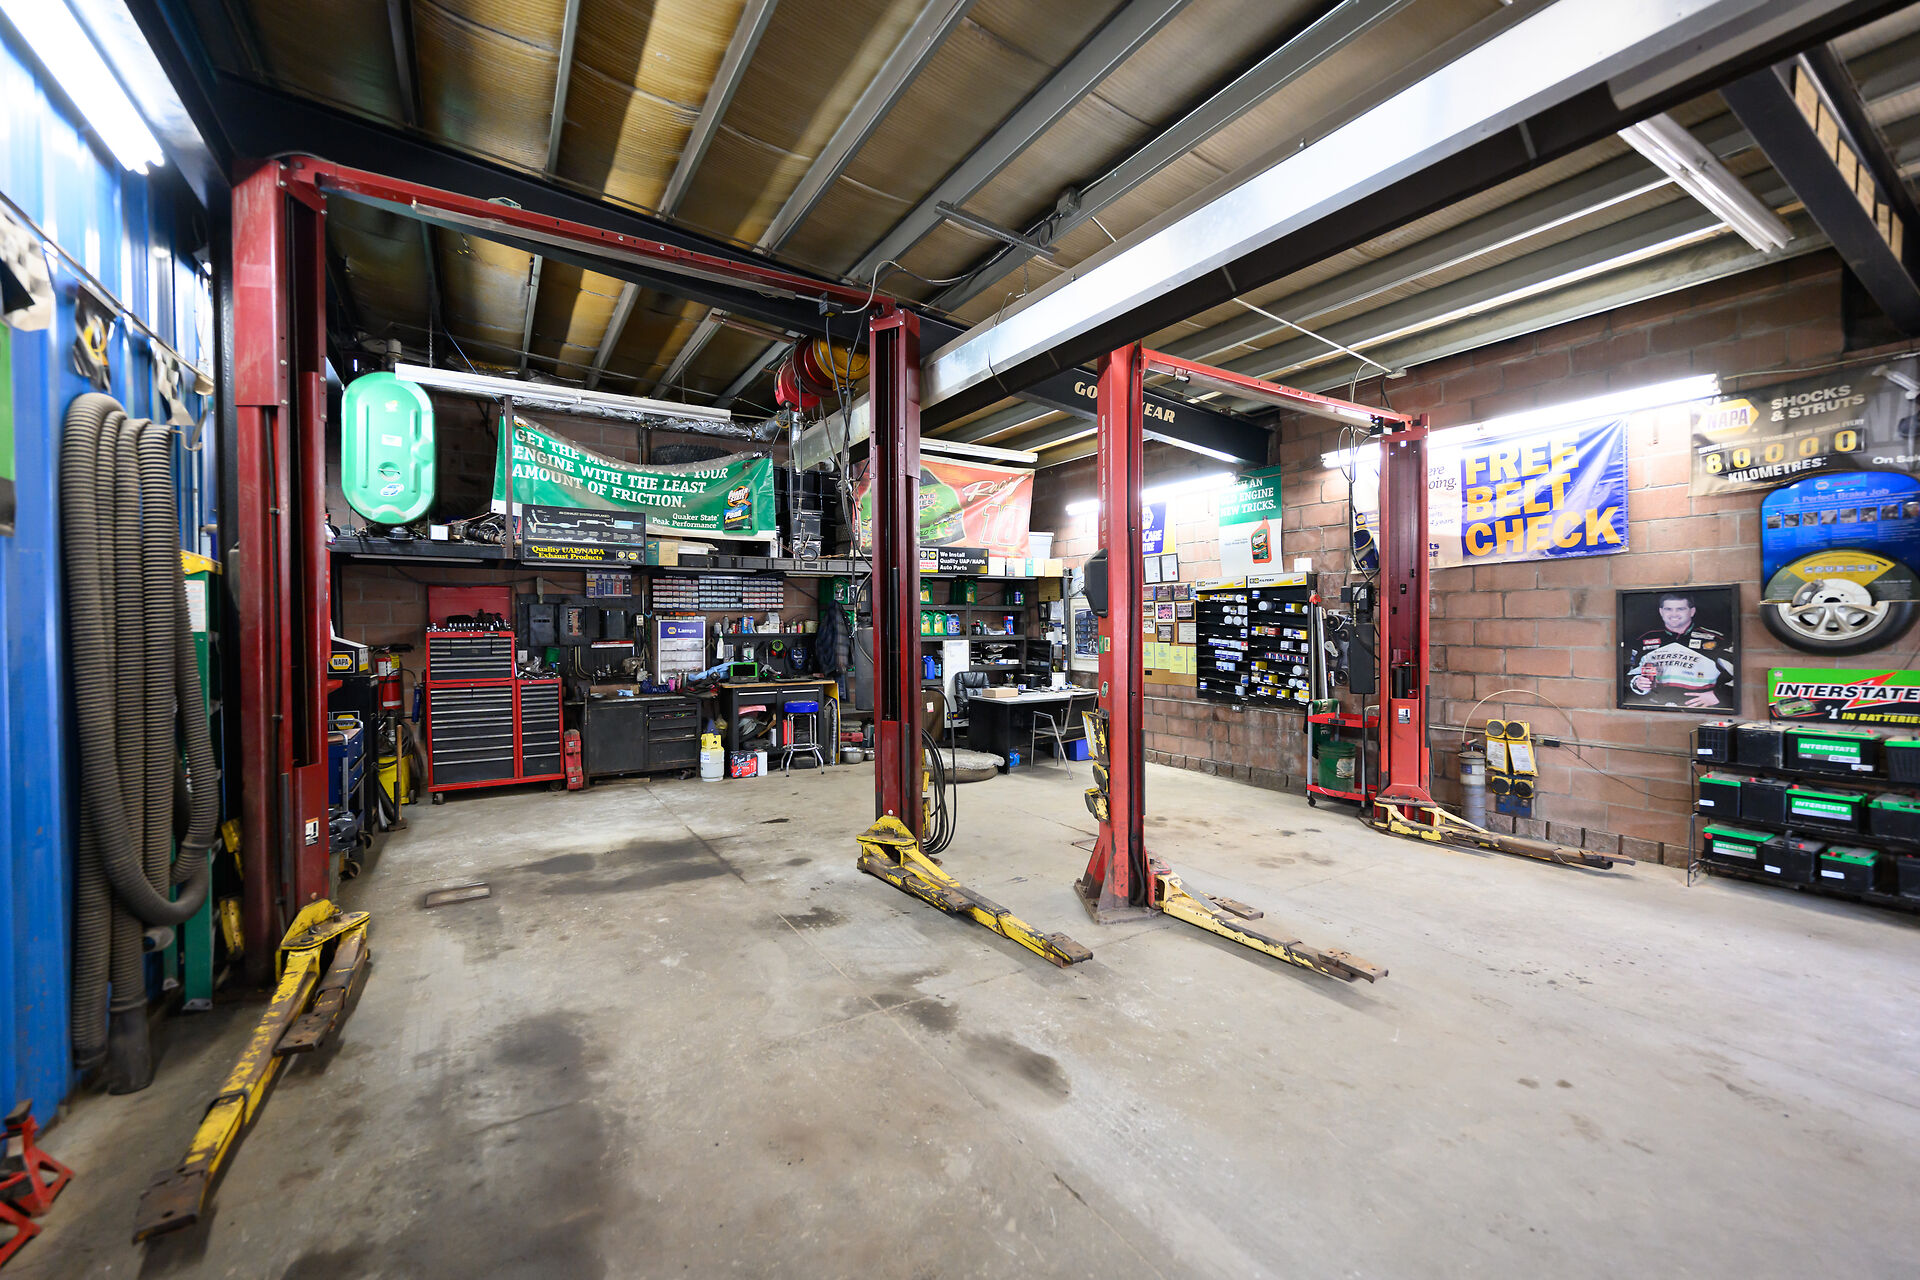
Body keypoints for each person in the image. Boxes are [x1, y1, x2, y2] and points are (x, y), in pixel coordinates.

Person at [1625, 592, 1736, 709]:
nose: (1674, 614)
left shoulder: (1717, 640)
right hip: (1656, 709)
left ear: (1692, 611)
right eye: (1668, 609)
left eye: (1680, 609)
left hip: (1701, 711)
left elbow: (1741, 674)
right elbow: (1631, 674)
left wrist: (1719, 695)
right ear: (1661, 611)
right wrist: (1638, 683)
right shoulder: (1644, 640)